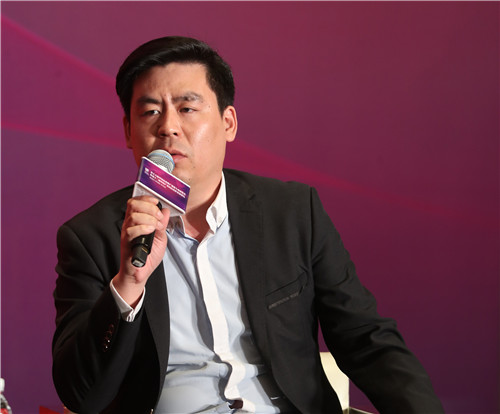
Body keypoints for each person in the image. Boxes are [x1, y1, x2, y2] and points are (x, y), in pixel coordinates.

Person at [52, 36, 444, 414]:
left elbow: (366, 339)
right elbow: (82, 396)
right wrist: (128, 284)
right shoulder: (92, 238)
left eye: (187, 108)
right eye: (151, 112)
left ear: (228, 123)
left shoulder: (292, 213)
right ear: (128, 132)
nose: (168, 127)